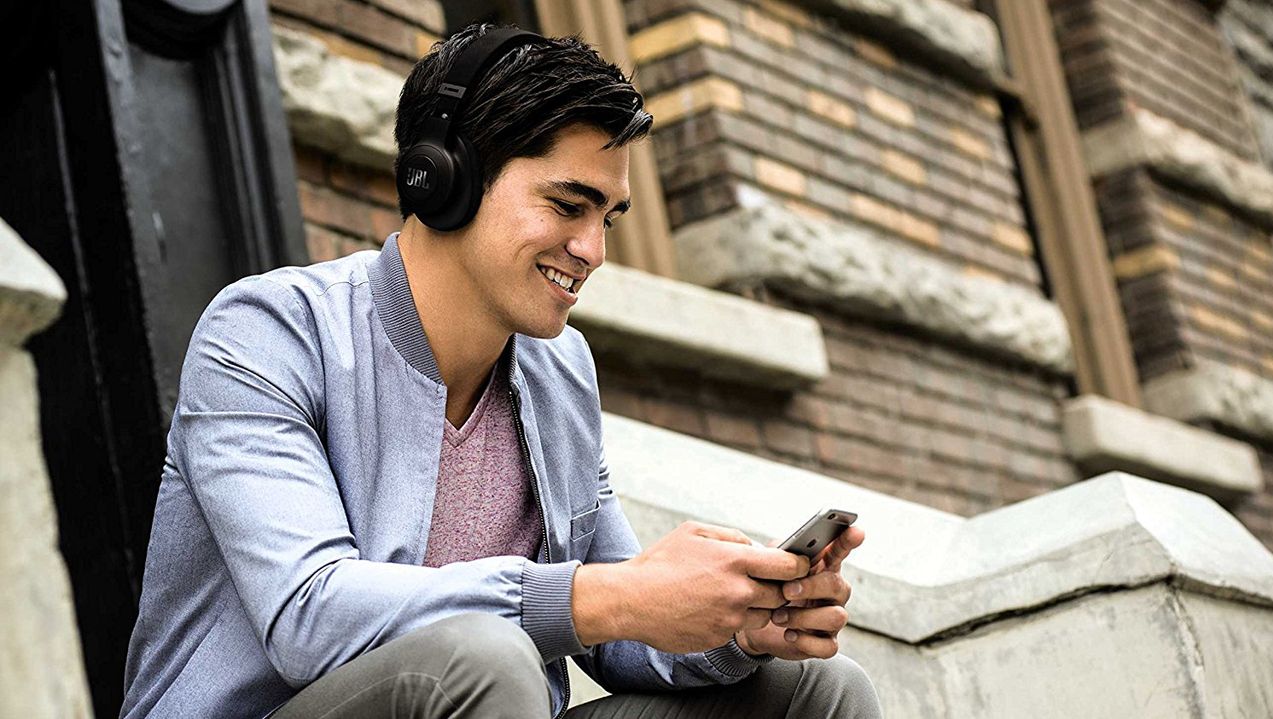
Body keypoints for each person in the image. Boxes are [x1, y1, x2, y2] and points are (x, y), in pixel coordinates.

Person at [119, 23, 882, 719]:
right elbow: (309, 617)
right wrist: (607, 595)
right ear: (443, 177)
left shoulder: (559, 368)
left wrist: (736, 627)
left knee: (817, 689)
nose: (593, 250)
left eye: (607, 218)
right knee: (483, 658)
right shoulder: (266, 333)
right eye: (567, 205)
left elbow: (618, 634)